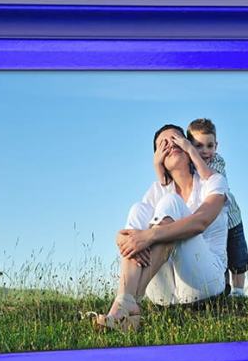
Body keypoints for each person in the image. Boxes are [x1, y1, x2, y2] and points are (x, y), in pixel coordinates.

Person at [93, 124, 228, 331]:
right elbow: (133, 233)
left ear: (188, 146)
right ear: (158, 157)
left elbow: (201, 221)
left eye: (175, 140)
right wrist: (121, 238)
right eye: (163, 144)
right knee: (138, 209)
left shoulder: (213, 180)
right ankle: (125, 302)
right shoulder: (156, 190)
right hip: (164, 294)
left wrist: (149, 236)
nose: (170, 146)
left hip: (205, 282)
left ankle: (129, 301)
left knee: (170, 203)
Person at [185, 118, 248, 296]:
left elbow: (209, 176)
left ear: (216, 145)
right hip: (212, 224)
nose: (205, 151)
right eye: (198, 146)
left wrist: (192, 152)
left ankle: (238, 291)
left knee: (237, 255)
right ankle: (224, 289)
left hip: (231, 220)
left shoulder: (217, 161)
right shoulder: (187, 165)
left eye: (210, 145)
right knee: (218, 255)